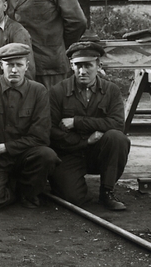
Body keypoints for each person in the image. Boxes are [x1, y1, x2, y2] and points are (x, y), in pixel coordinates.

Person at [0, 42, 57, 210]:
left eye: (19, 65)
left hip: (23, 157)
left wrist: (4, 147)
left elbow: (40, 137)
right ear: (1, 65)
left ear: (27, 66)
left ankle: (27, 193)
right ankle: (14, 189)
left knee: (47, 155)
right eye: (10, 65)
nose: (14, 70)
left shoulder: (38, 91)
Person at [49, 39, 130, 210]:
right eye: (78, 66)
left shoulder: (111, 90)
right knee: (72, 198)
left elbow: (117, 124)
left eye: (88, 65)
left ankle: (107, 192)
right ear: (71, 65)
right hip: (70, 153)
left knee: (117, 138)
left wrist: (77, 122)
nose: (82, 71)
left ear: (98, 65)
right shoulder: (58, 91)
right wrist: (85, 141)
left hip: (98, 153)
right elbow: (51, 130)